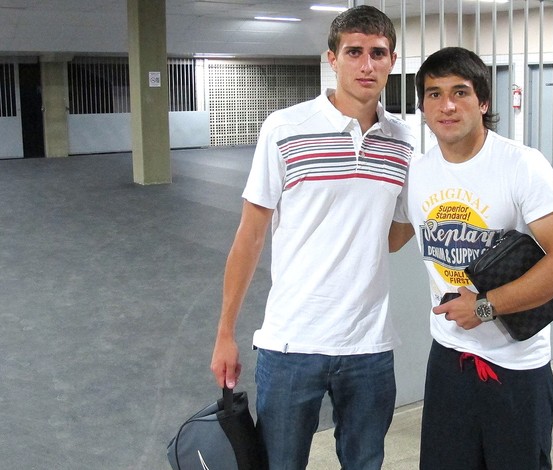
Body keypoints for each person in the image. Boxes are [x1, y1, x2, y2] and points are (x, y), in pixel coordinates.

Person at [210, 5, 416, 469]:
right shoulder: (286, 128)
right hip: (292, 344)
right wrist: (225, 333)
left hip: (369, 346)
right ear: (333, 58)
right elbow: (250, 235)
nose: (367, 64)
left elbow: (396, 234)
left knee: (365, 462)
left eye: (378, 53)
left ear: (392, 60)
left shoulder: (402, 141)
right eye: (355, 52)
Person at [390, 46, 553, 470]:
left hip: (516, 365)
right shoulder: (419, 173)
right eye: (433, 93)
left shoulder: (521, 165)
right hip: (448, 357)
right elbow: (390, 239)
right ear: (422, 106)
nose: (446, 105)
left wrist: (485, 306)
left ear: (483, 101)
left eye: (460, 92)